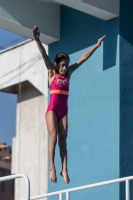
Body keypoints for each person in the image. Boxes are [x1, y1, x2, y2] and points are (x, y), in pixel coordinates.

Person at [32, 26, 106, 184]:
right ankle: (52, 167)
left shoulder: (69, 74)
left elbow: (83, 58)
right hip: (52, 110)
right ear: (57, 65)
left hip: (63, 111)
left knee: (63, 141)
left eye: (67, 65)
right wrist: (37, 40)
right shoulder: (52, 73)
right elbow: (44, 55)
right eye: (63, 65)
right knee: (53, 137)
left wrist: (96, 46)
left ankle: (64, 169)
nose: (65, 68)